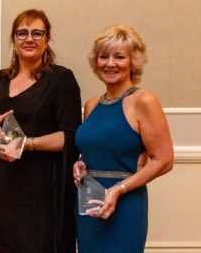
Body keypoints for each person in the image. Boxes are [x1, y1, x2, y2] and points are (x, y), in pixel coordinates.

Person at [0, 9, 81, 253]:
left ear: (47, 39)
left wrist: (27, 143)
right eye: (22, 33)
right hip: (4, 187)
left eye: (37, 33)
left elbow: (70, 136)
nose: (29, 39)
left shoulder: (61, 79)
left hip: (42, 191)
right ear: (13, 39)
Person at [73, 24, 173, 253]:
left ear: (132, 62)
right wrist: (80, 163)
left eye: (119, 57)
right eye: (104, 56)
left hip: (126, 206)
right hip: (89, 206)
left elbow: (164, 160)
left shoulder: (144, 101)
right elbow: (95, 149)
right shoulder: (91, 104)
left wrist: (118, 189)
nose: (110, 63)